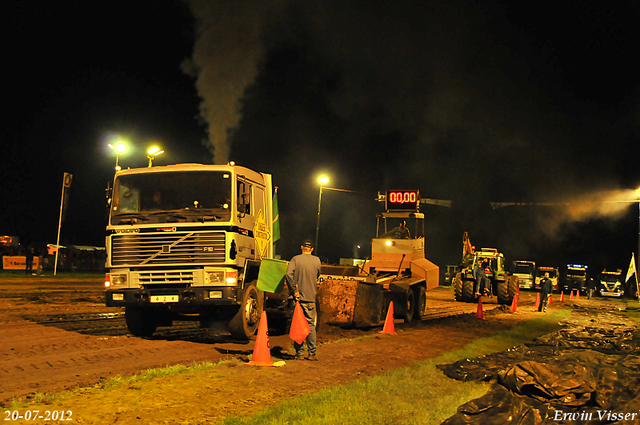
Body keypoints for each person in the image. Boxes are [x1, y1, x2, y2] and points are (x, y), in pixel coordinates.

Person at [286, 239, 321, 361]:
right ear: (311, 249)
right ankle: (312, 353)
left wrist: (293, 290)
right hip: (311, 298)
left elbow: (288, 275)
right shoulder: (317, 261)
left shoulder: (295, 259)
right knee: (310, 325)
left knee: (298, 324)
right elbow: (317, 275)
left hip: (298, 299)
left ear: (302, 247)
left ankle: (299, 354)